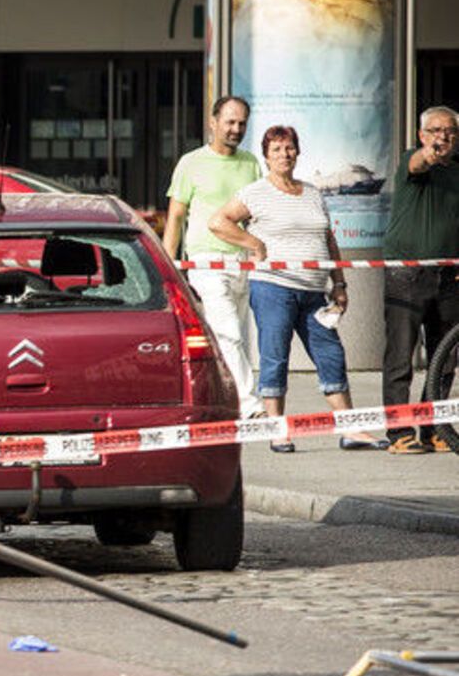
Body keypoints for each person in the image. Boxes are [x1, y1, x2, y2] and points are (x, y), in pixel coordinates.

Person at [210, 125, 387, 453]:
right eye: (276, 149)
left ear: (297, 152)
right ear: (266, 156)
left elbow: (329, 239)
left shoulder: (312, 192)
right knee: (276, 357)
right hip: (273, 289)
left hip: (313, 292)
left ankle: (350, 429)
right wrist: (254, 243)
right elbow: (218, 222)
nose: (284, 155)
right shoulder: (255, 192)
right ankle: (279, 430)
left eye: (289, 148)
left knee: (331, 354)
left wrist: (340, 283)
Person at [163, 95, 264, 419]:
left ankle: (221, 400)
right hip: (206, 261)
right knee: (228, 332)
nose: (236, 129)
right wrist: (169, 267)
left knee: (233, 339)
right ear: (213, 122)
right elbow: (175, 217)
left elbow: (256, 214)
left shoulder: (251, 163)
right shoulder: (190, 163)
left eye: (242, 124)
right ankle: (250, 405)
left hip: (243, 262)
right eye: (230, 122)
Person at [379, 105, 459, 454]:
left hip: (448, 276)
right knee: (401, 356)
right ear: (422, 135)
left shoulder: (456, 173)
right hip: (406, 274)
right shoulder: (412, 162)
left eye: (451, 131)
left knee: (445, 357)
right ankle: (398, 433)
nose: (444, 137)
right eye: (437, 130)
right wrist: (430, 153)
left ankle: (434, 428)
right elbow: (419, 163)